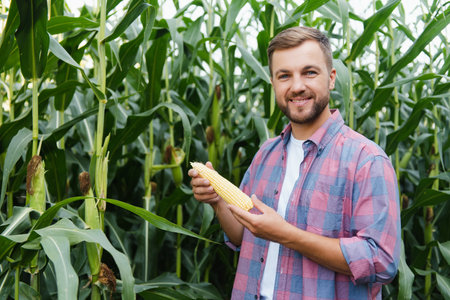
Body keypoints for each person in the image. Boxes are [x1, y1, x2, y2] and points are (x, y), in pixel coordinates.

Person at [189, 26, 401, 299]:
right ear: (274, 83)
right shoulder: (266, 154)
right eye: (284, 76)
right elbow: (244, 236)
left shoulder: (366, 160)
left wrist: (286, 234)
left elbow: (381, 261)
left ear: (332, 78)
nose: (297, 86)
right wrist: (218, 201)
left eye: (309, 72)